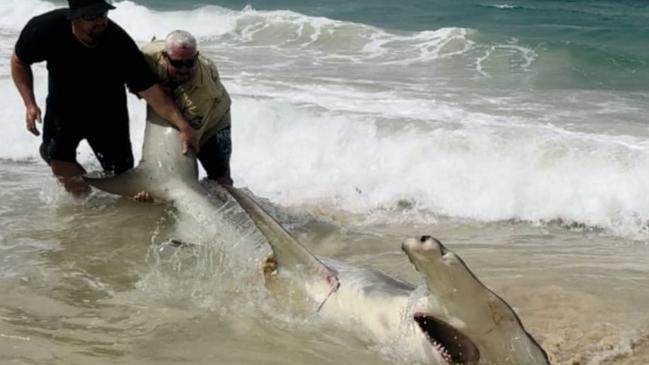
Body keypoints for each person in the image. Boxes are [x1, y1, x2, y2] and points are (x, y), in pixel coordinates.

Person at [10, 0, 199, 196]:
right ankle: (88, 206)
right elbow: (19, 61)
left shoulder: (119, 43)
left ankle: (115, 207)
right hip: (63, 109)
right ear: (73, 17)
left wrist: (184, 126)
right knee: (57, 158)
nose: (100, 21)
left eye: (102, 14)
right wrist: (29, 104)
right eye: (91, 17)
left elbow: (152, 92)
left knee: (121, 175)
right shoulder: (46, 28)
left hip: (108, 113)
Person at [134, 30, 233, 202]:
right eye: (178, 64)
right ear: (164, 56)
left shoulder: (203, 91)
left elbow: (189, 141)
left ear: (196, 56)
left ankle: (229, 209)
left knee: (220, 181)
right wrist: (150, 92)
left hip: (213, 122)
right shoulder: (147, 56)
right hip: (184, 109)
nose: (184, 69)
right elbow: (132, 80)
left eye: (189, 63)